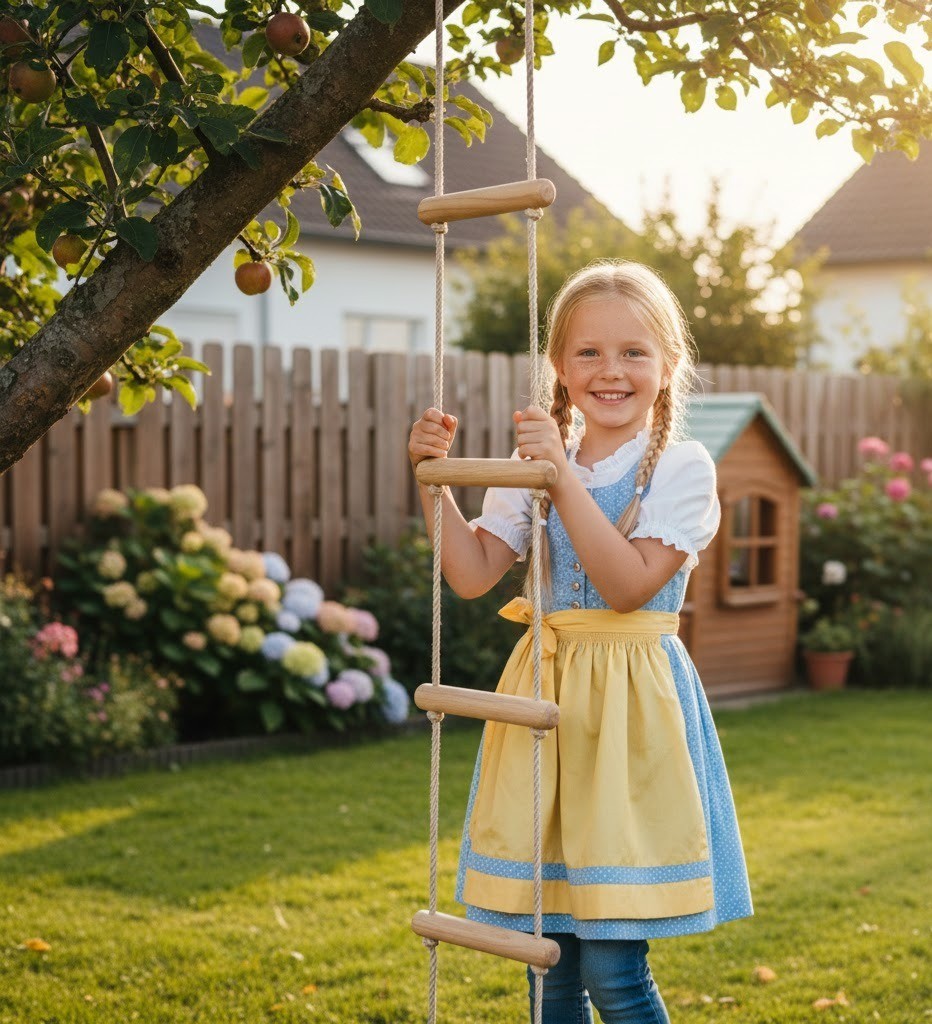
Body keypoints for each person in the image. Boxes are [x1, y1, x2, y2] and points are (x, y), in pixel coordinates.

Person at [407, 260, 753, 1024]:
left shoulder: (680, 467)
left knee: (613, 969)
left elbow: (629, 585)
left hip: (630, 715)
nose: (611, 371)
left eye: (634, 352)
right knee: (547, 961)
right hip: (544, 705)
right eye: (589, 353)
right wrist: (430, 480)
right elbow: (471, 574)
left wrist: (559, 477)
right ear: (559, 369)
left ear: (667, 366)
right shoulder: (539, 463)